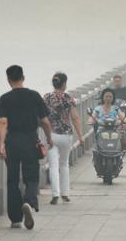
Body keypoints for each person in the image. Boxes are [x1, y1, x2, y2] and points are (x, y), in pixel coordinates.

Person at [0, 65, 53, 230]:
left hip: (12, 141)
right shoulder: (34, 96)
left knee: (12, 179)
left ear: (8, 80)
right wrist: (49, 138)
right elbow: (44, 121)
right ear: (23, 77)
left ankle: (15, 218)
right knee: (32, 176)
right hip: (30, 140)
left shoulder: (5, 98)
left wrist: (1, 144)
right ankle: (28, 201)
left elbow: (3, 122)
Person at [44, 73, 84, 205]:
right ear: (64, 84)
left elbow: (43, 117)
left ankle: (55, 194)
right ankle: (65, 193)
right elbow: (75, 118)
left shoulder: (47, 97)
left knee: (53, 165)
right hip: (66, 135)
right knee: (64, 164)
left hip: (51, 135)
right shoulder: (68, 98)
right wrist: (80, 136)